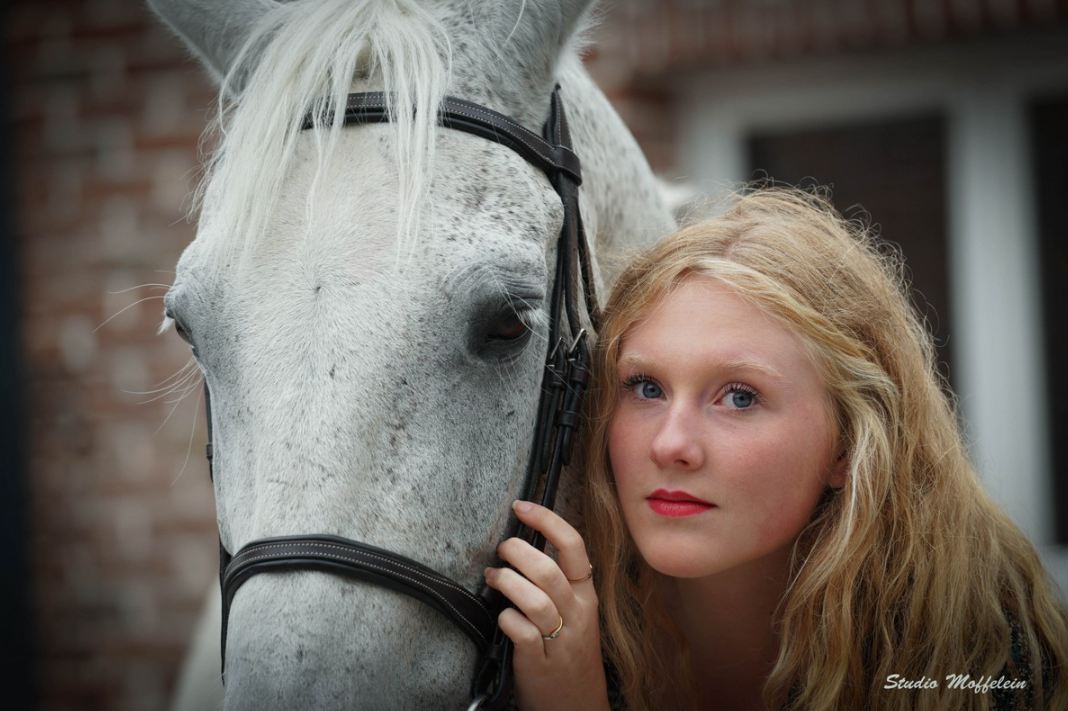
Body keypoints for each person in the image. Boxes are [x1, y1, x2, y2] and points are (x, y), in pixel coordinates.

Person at [483, 187, 1068, 711]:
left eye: (739, 397)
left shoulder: (983, 662)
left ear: (848, 446)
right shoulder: (534, 637)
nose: (671, 444)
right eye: (646, 387)